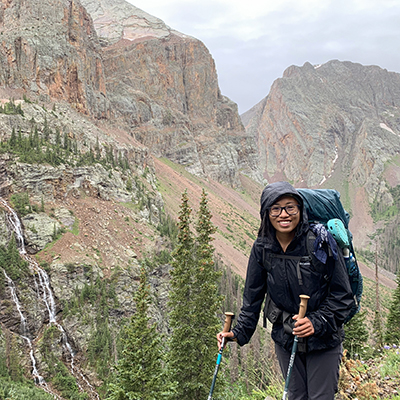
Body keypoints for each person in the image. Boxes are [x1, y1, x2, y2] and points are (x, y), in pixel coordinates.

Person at [217, 181, 354, 400]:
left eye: (291, 207)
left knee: (321, 396)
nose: (284, 214)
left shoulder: (319, 242)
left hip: (324, 339)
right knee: (296, 396)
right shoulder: (262, 247)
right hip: (286, 336)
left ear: (300, 210)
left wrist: (315, 322)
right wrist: (237, 333)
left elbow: (343, 296)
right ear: (266, 213)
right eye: (276, 208)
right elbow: (252, 297)